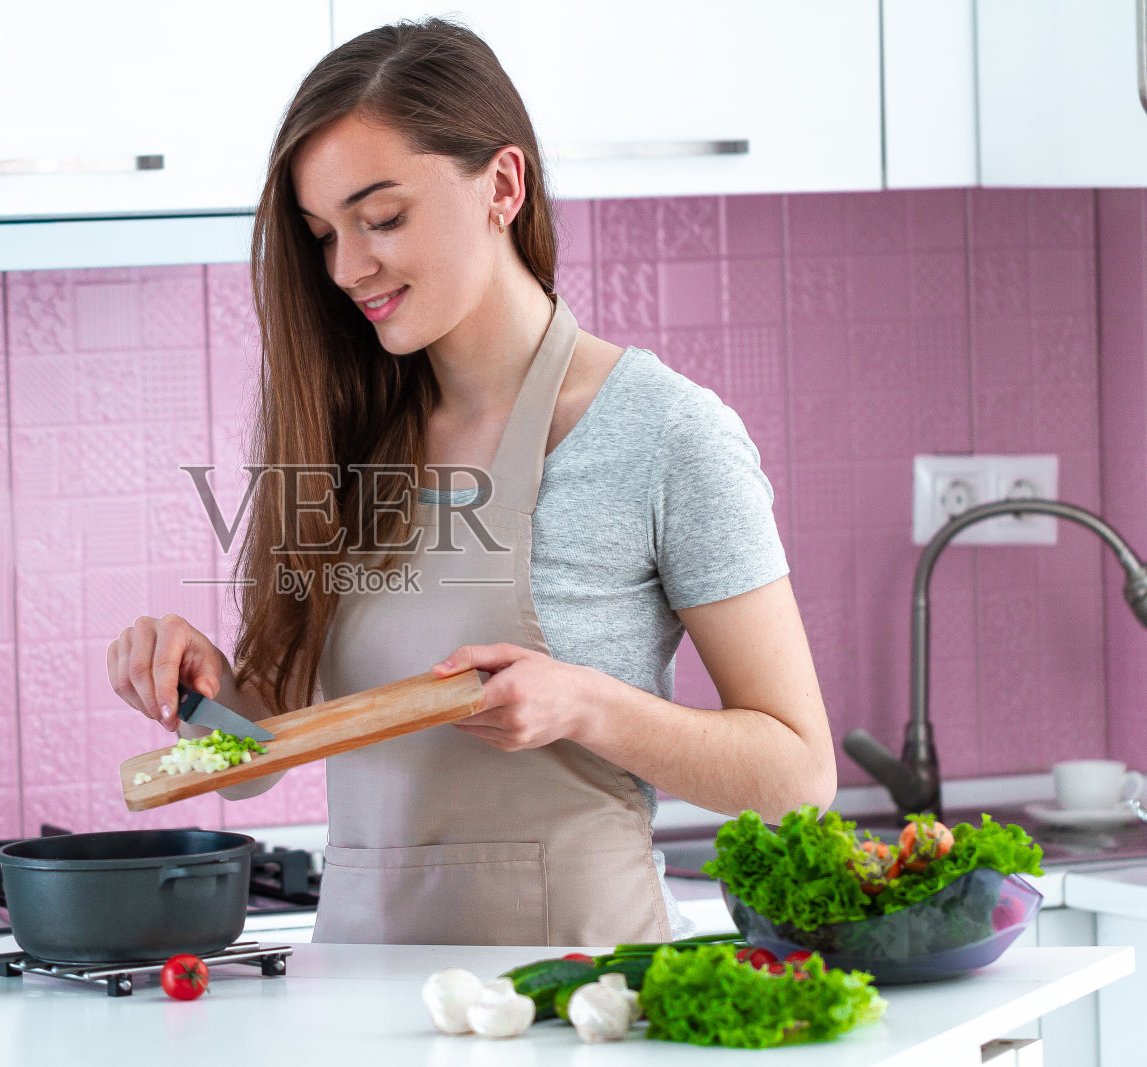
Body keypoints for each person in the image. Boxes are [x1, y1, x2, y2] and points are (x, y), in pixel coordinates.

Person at [106, 17, 836, 946]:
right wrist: (196, 692)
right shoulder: (347, 436)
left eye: (383, 219)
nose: (347, 268)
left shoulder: (666, 435)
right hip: (361, 1002)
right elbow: (253, 761)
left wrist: (585, 703)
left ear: (502, 184)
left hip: (583, 1002)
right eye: (324, 234)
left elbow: (798, 773)